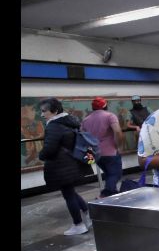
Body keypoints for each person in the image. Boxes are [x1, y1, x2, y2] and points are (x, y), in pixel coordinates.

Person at [37, 98, 93, 235]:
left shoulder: (54, 126)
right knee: (70, 191)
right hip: (72, 163)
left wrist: (41, 155)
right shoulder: (70, 121)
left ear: (55, 111)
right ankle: (88, 213)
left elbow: (49, 149)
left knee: (68, 194)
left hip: (61, 166)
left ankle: (78, 224)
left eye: (44, 111)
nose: (42, 115)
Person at [81, 97, 124, 198]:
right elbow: (117, 131)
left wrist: (89, 155)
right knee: (115, 174)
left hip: (96, 153)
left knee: (109, 174)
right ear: (105, 106)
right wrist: (119, 146)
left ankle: (113, 197)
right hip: (111, 151)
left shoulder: (86, 120)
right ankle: (105, 194)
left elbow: (83, 136)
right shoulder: (110, 116)